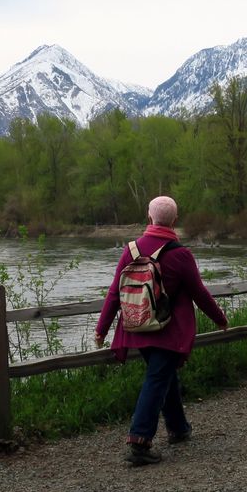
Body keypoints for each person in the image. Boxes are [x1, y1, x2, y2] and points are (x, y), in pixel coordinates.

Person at [94, 195, 228, 466]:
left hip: (137, 327)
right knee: (157, 379)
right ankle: (139, 442)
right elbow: (199, 293)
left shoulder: (131, 250)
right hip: (168, 331)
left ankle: (178, 428)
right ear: (175, 220)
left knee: (164, 377)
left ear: (148, 217)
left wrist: (102, 329)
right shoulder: (180, 254)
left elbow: (114, 293)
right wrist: (220, 319)